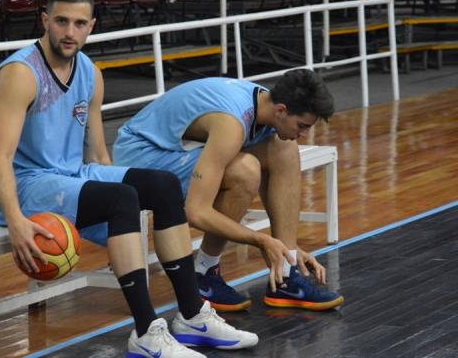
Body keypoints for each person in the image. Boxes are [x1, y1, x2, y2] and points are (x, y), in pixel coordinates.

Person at [0, 0, 258, 357]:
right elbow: (0, 157)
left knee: (160, 186)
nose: (69, 32)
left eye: (79, 24)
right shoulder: (21, 74)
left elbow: (98, 156)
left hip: (71, 174)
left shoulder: (89, 73)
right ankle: (146, 334)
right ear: (44, 19)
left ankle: (193, 316)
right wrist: (14, 221)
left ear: (91, 25)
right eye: (61, 21)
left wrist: (120, 232)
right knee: (121, 199)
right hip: (26, 185)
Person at [113, 70, 344, 312]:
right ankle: (203, 271)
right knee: (246, 171)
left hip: (174, 148)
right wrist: (262, 241)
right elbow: (196, 212)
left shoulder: (265, 103)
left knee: (285, 150)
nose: (305, 133)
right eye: (302, 125)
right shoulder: (231, 123)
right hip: (139, 157)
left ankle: (286, 273)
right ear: (281, 111)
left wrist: (287, 250)